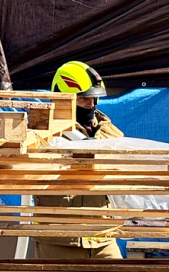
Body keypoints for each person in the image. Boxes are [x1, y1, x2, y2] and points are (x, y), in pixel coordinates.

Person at [33, 61, 124, 259]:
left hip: (102, 238)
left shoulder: (110, 133)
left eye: (93, 99)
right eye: (84, 99)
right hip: (57, 240)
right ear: (64, 99)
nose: (91, 105)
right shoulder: (44, 133)